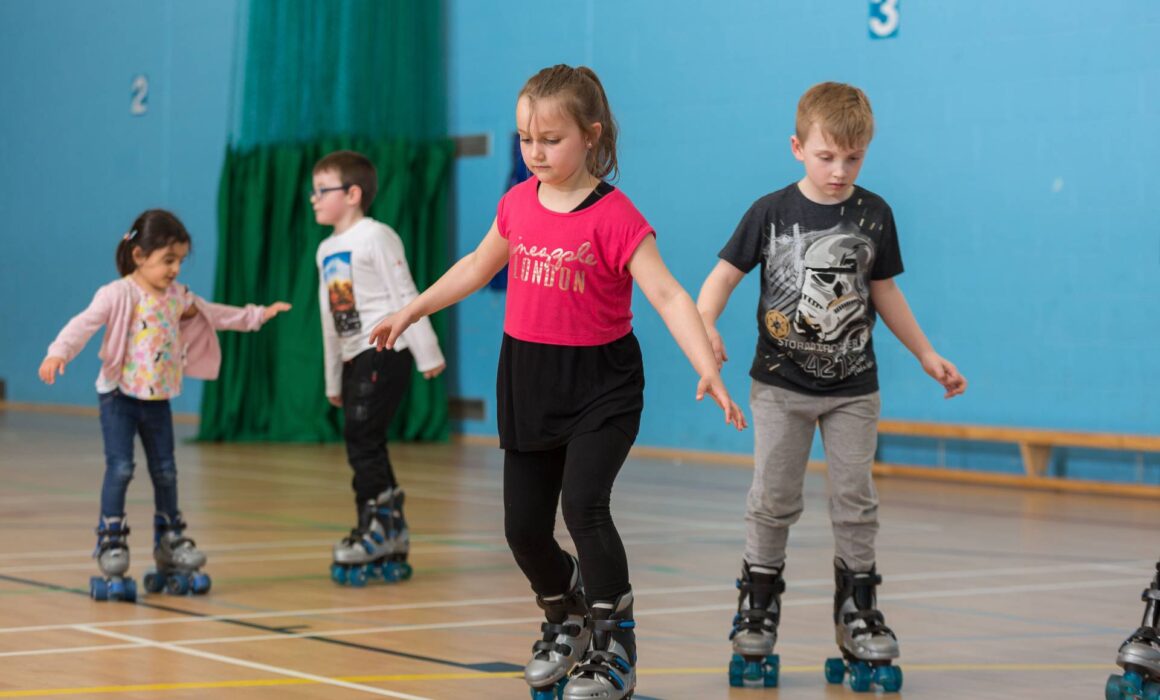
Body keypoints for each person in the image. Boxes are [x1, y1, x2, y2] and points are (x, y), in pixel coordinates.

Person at [369, 64, 746, 700]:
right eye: (525, 140)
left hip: (602, 385)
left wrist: (706, 365)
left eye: (551, 140)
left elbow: (667, 293)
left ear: (591, 136)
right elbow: (474, 265)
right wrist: (413, 308)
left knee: (584, 506)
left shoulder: (616, 215)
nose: (535, 153)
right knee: (522, 528)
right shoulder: (517, 204)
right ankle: (564, 613)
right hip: (529, 378)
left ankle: (613, 641)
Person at [696, 81, 967, 692]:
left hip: (853, 389)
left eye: (854, 158)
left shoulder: (875, 214)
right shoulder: (770, 212)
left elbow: (884, 291)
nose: (840, 170)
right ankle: (758, 607)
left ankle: (859, 612)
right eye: (826, 157)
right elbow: (723, 275)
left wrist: (925, 353)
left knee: (856, 500)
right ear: (797, 147)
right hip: (780, 389)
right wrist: (705, 326)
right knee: (773, 498)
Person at [39, 209, 290, 601]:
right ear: (139, 256)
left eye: (180, 261)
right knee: (121, 468)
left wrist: (256, 315)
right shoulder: (118, 293)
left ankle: (170, 538)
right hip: (119, 397)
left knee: (167, 471)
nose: (175, 269)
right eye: (167, 260)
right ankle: (111, 538)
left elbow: (216, 316)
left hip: (158, 399)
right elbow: (83, 324)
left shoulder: (178, 298)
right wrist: (58, 354)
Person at [311, 150, 446, 586]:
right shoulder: (326, 249)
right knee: (361, 440)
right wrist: (334, 377)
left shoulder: (376, 236)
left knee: (363, 436)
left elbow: (405, 293)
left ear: (352, 194)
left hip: (385, 348)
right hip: (353, 356)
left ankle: (380, 527)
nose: (313, 199)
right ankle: (385, 527)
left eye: (322, 191)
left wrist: (428, 353)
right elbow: (330, 317)